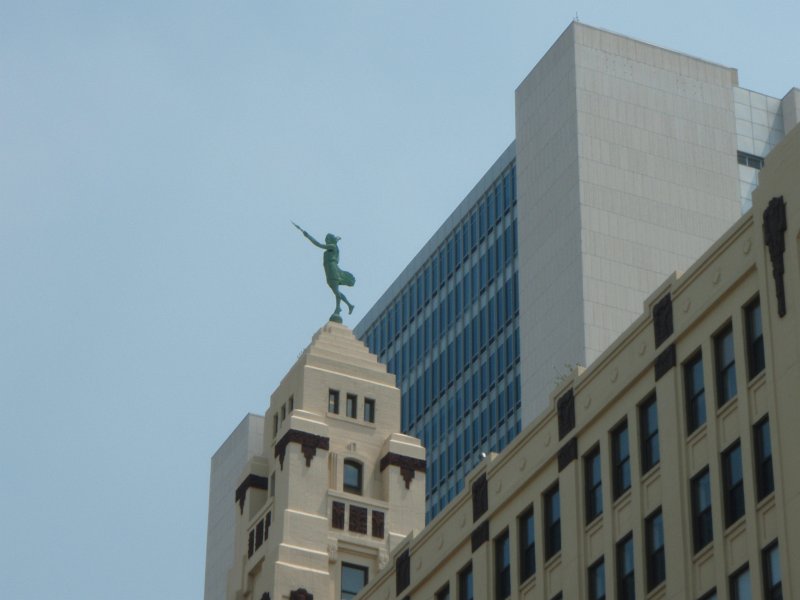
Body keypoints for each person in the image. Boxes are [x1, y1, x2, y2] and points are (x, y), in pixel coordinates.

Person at [293, 222, 355, 320]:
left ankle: (339, 308)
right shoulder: (332, 247)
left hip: (332, 268)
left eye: (327, 239)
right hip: (328, 268)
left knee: (335, 290)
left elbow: (318, 244)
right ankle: (348, 305)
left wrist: (308, 236)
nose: (326, 241)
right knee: (335, 290)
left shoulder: (333, 247)